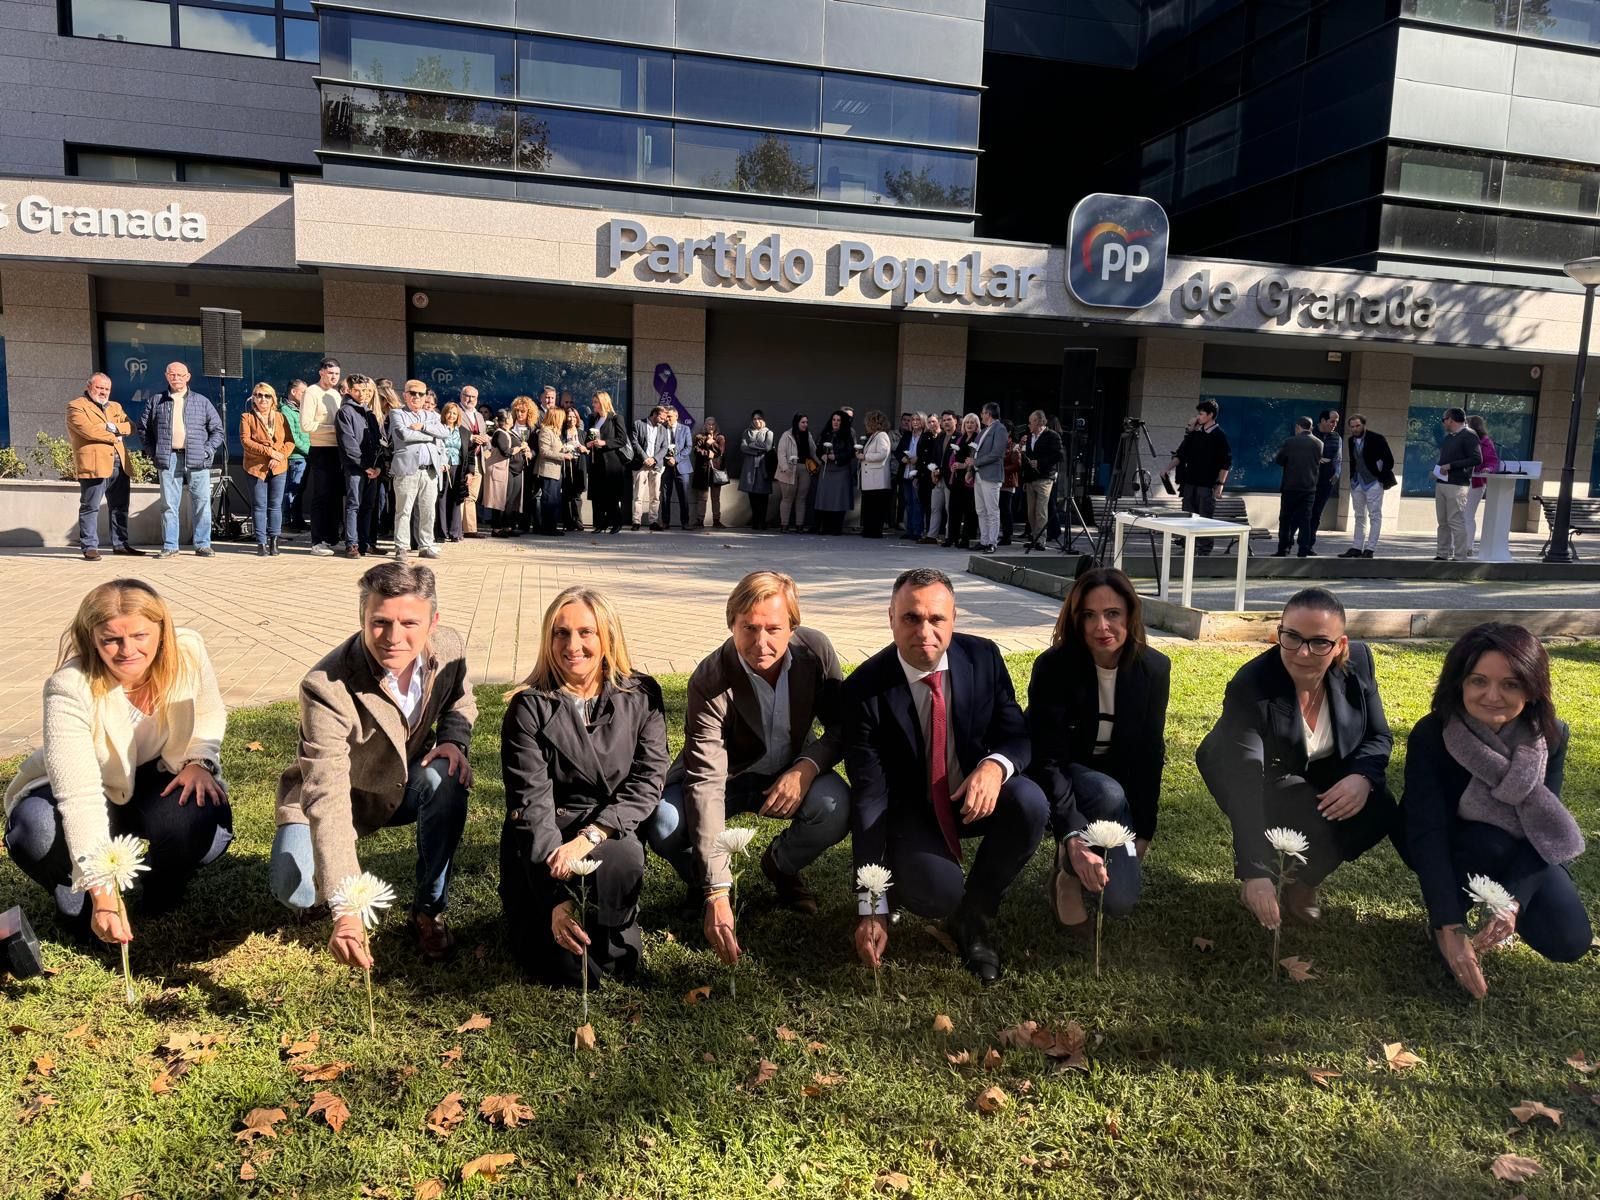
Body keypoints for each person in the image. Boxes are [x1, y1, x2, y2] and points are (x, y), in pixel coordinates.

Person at [845, 568, 1047, 985]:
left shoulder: (984, 658)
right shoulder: (864, 690)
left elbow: (1017, 736)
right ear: (891, 618)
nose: (925, 631)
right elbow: (869, 800)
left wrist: (994, 766)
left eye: (937, 619)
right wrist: (872, 905)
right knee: (938, 893)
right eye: (911, 618)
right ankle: (905, 885)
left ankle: (975, 917)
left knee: (1029, 803)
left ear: (954, 618)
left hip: (974, 797)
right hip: (913, 813)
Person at [271, 562, 476, 963]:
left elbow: (461, 701)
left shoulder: (449, 648)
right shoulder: (325, 686)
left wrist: (453, 740)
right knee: (294, 890)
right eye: (380, 622)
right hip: (343, 795)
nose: (394, 638)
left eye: (409, 623)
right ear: (362, 617)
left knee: (447, 778)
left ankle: (429, 910)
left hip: (408, 783)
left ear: (433, 622)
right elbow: (326, 793)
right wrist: (346, 906)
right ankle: (322, 892)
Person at [4, 580, 230, 941]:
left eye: (140, 635)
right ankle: (74, 890)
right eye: (111, 639)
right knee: (36, 829)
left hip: (157, 773)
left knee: (198, 814)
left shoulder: (188, 650)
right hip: (91, 784)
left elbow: (208, 712)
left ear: (162, 630)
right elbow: (79, 797)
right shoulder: (68, 687)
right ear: (91, 637)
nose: (128, 651)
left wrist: (199, 761)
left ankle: (162, 881)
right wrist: (103, 893)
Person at [644, 572, 850, 962]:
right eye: (749, 628)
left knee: (835, 807)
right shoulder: (709, 678)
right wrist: (717, 892)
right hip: (727, 776)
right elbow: (704, 782)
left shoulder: (816, 652)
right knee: (664, 822)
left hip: (790, 769)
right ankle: (704, 880)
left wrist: (806, 767)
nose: (761, 643)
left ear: (793, 625)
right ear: (732, 625)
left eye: (773, 628)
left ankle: (780, 866)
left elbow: (841, 728)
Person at [1397, 623, 1590, 997]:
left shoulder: (1550, 736)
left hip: (1519, 846)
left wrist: (1512, 902)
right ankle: (1445, 917)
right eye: (1478, 681)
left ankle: (1495, 903)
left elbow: (1544, 828)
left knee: (1569, 938)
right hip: (1452, 843)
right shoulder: (1433, 734)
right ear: (1459, 684)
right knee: (1486, 845)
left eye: (1511, 684)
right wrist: (1448, 926)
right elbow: (1427, 832)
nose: (1492, 696)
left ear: (1532, 689)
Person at [1197, 587, 1398, 929]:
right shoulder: (1252, 685)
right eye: (1292, 637)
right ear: (1279, 634)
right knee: (1306, 808)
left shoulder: (1359, 664)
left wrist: (1361, 777)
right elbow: (1244, 780)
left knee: (1379, 809)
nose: (1303, 653)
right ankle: (1277, 869)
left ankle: (1303, 882)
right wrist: (1253, 870)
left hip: (1320, 769)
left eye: (1320, 642)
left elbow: (1378, 735)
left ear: (1341, 646)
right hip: (1257, 773)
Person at [499, 586, 667, 986]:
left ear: (607, 636)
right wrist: (554, 900)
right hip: (546, 839)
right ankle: (556, 911)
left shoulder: (642, 695)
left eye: (585, 632)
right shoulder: (527, 707)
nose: (572, 645)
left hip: (608, 827)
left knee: (612, 958)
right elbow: (530, 806)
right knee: (558, 968)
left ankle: (611, 921)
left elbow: (648, 780)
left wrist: (593, 834)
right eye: (561, 633)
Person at [1027, 568, 1170, 932]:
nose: (1101, 627)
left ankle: (1090, 852)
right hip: (1063, 775)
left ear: (1130, 615)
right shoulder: (1054, 667)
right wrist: (1070, 831)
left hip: (1116, 790)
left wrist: (1144, 829)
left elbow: (1151, 752)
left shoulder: (1153, 669)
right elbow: (1049, 759)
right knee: (1106, 791)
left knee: (1120, 900)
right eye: (1089, 615)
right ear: (1075, 620)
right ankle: (1066, 873)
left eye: (1112, 614)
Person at [140, 361, 223, 561]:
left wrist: (207, 450)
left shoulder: (201, 401)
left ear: (188, 377)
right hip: (169, 458)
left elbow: (217, 431)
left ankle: (203, 545)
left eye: (180, 374)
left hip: (197, 459)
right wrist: (153, 452)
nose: (176, 378)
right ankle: (170, 546)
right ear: (166, 376)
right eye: (172, 374)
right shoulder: (156, 401)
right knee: (169, 504)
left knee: (202, 502)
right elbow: (143, 429)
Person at [67, 373, 142, 561]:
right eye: (100, 388)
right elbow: (88, 431)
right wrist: (114, 434)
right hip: (94, 464)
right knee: (90, 507)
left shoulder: (115, 406)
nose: (103, 392)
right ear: (89, 386)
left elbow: (131, 427)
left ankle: (121, 544)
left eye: (107, 389)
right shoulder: (76, 406)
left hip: (120, 464)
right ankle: (90, 546)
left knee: (120, 507)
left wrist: (114, 428)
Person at [390, 379, 447, 562]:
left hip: (429, 470)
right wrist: (431, 436)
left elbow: (445, 433)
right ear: (405, 395)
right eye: (412, 393)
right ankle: (402, 547)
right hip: (407, 469)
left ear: (425, 397)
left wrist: (423, 427)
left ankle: (426, 545)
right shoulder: (397, 413)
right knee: (404, 511)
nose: (416, 397)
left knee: (428, 510)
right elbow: (404, 435)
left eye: (420, 394)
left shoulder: (432, 416)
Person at [1167, 399, 1232, 555]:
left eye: (1201, 414)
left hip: (1206, 484)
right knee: (1188, 516)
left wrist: (1220, 484)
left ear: (1210, 415)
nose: (1198, 417)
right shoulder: (1196, 433)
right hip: (1190, 483)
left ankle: (1203, 551)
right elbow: (1182, 453)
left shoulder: (1219, 435)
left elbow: (1226, 461)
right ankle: (1188, 548)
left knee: (1204, 518)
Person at [240, 382, 293, 557]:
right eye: (258, 395)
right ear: (253, 398)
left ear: (273, 399)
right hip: (256, 467)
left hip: (278, 467)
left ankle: (274, 541)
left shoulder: (280, 417)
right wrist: (270, 452)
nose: (263, 399)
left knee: (275, 505)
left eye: (267, 395)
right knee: (259, 505)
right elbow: (246, 442)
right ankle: (261, 542)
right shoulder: (247, 417)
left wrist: (279, 456)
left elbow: (289, 442)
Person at [300, 358, 345, 556]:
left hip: (338, 450)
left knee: (335, 497)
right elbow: (306, 425)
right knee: (321, 496)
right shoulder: (311, 392)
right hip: (320, 450)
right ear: (321, 373)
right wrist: (335, 429)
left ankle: (332, 538)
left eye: (336, 373)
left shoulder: (336, 394)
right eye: (330, 373)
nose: (334, 377)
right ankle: (317, 541)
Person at [336, 375, 382, 559]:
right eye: (358, 390)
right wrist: (365, 466)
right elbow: (349, 444)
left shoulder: (369, 413)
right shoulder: (345, 412)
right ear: (349, 390)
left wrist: (378, 466)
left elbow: (378, 442)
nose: (362, 394)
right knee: (354, 505)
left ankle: (366, 543)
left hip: (372, 468)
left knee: (369, 506)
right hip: (355, 468)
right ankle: (351, 544)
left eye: (366, 391)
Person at [1340, 414, 1397, 559]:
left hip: (1373, 482)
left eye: (1357, 425)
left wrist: (1379, 475)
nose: (1355, 429)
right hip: (1357, 482)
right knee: (1359, 516)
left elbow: (1389, 460)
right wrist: (1352, 477)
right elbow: (1354, 460)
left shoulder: (1377, 438)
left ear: (1364, 424)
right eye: (1352, 426)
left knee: (1374, 515)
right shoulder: (1350, 440)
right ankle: (1356, 547)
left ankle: (1370, 548)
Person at [1433, 406, 1482, 562]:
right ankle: (1442, 553)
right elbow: (1445, 459)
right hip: (1442, 482)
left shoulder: (1469, 435)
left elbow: (1476, 459)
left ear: (1451, 419)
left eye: (1444, 420)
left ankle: (1460, 557)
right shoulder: (1450, 437)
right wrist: (1437, 469)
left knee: (1455, 520)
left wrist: (1451, 466)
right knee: (1443, 521)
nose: (1443, 423)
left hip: (1457, 484)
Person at [1273, 417, 1323, 558]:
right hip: (1309, 488)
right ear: (1311, 427)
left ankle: (1283, 549)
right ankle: (1303, 549)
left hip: (1290, 486)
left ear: (1297, 427)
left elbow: (1280, 460)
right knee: (1305, 520)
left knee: (1286, 519)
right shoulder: (1319, 443)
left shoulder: (1290, 442)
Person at [586, 391, 632, 534]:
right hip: (596, 461)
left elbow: (622, 439)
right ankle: (600, 524)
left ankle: (616, 523)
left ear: (603, 402)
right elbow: (589, 436)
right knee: (598, 495)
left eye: (595, 402)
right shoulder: (594, 419)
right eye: (593, 402)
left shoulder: (616, 418)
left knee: (611, 495)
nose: (593, 405)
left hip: (611, 462)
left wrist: (604, 443)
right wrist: (588, 443)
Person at [1019, 410, 1062, 550]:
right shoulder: (1030, 437)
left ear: (1038, 422)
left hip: (1044, 478)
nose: (1029, 424)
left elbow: (1058, 455)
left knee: (1041, 510)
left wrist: (1040, 463)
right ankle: (1034, 536)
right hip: (1031, 479)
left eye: (1031, 421)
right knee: (1031, 511)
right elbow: (1027, 456)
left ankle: (1041, 540)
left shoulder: (1052, 436)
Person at [1463, 414, 1501, 558]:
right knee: (1457, 516)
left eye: (1467, 424)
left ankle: (1468, 547)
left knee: (1467, 515)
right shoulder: (1463, 440)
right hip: (1460, 481)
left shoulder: (1485, 442)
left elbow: (1492, 461)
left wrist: (1488, 469)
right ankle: (1456, 545)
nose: (1465, 426)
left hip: (1476, 483)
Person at [457, 386, 491, 539]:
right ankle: (457, 528)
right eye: (467, 396)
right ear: (461, 395)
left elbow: (484, 437)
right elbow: (451, 432)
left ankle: (470, 529)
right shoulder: (456, 411)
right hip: (462, 459)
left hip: (477, 459)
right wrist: (471, 438)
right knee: (461, 494)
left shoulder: (479, 415)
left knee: (472, 496)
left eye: (473, 397)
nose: (470, 399)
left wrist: (485, 442)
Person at [813, 411, 855, 535]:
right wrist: (822, 456)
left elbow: (850, 453)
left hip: (840, 470)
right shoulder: (825, 433)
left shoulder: (847, 435)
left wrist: (836, 456)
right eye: (834, 419)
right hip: (827, 470)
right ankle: (824, 527)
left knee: (838, 500)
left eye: (838, 420)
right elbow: (818, 449)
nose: (835, 422)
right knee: (825, 499)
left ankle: (836, 528)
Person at [972, 402, 1006, 554]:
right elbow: (977, 451)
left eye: (983, 412)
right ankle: (984, 540)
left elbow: (997, 453)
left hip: (991, 475)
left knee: (992, 510)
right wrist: (970, 468)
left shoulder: (1000, 429)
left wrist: (976, 462)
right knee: (981, 509)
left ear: (989, 413)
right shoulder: (985, 430)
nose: (981, 415)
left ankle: (992, 542)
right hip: (979, 473)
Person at [533, 405, 572, 538]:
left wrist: (565, 450)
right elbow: (544, 452)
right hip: (548, 470)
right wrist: (563, 456)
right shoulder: (546, 431)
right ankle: (547, 527)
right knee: (549, 500)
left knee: (554, 500)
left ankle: (552, 526)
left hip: (556, 470)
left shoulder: (556, 432)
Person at [279, 379, 311, 536]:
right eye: (303, 392)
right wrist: (309, 450)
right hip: (295, 456)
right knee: (292, 489)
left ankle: (297, 520)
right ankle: (288, 521)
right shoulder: (286, 411)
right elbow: (293, 437)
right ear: (293, 392)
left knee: (299, 489)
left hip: (304, 456)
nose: (306, 395)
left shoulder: (300, 410)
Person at [856, 411, 894, 539]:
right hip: (871, 478)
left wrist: (865, 456)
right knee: (870, 505)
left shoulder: (881, 436)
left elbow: (882, 454)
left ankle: (874, 530)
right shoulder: (874, 436)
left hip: (877, 479)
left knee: (875, 506)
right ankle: (869, 529)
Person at [943, 414, 979, 549]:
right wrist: (953, 464)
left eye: (972, 422)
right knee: (954, 509)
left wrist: (964, 466)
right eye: (967, 422)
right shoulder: (960, 438)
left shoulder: (978, 439)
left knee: (969, 510)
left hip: (970, 479)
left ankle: (966, 538)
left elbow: (976, 458)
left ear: (977, 425)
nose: (969, 425)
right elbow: (953, 455)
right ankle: (952, 537)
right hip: (957, 478)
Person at [632, 404, 670, 532]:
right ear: (654, 414)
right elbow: (634, 442)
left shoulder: (663, 429)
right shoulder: (638, 424)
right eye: (662, 418)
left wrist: (654, 459)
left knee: (655, 496)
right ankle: (636, 521)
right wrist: (645, 458)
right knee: (638, 494)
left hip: (656, 465)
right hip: (640, 464)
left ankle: (653, 521)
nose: (664, 421)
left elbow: (665, 447)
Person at [1310, 409, 1343, 551]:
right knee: (1301, 513)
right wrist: (1317, 460)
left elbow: (1338, 459)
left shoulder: (1336, 437)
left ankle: (1309, 544)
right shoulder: (1310, 434)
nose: (1334, 424)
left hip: (1326, 481)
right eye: (1332, 421)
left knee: (1316, 513)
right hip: (1309, 479)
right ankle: (1288, 543)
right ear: (1323, 421)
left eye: (1336, 422)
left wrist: (1337, 474)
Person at [774, 413, 813, 533]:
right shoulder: (787, 435)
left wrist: (820, 463)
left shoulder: (808, 435)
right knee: (787, 497)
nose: (805, 424)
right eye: (803, 422)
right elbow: (781, 453)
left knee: (801, 498)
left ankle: (799, 525)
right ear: (797, 423)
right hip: (789, 469)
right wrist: (785, 468)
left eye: (806, 422)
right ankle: (784, 525)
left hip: (804, 469)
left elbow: (813, 451)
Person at [738, 410, 775, 531]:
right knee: (752, 497)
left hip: (763, 468)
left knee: (763, 497)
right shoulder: (746, 432)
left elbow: (768, 447)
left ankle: (762, 522)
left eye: (759, 418)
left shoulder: (769, 433)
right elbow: (743, 447)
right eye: (754, 419)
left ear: (763, 419)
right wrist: (758, 449)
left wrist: (752, 445)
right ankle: (755, 521)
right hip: (750, 469)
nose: (757, 421)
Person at [659, 406, 694, 531]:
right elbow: (658, 447)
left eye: (669, 416)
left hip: (682, 468)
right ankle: (665, 522)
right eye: (666, 416)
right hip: (666, 467)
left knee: (683, 496)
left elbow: (688, 447)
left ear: (676, 416)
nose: (667, 419)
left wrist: (676, 459)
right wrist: (666, 460)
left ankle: (685, 522)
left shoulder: (685, 429)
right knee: (665, 496)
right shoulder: (661, 429)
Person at [689, 416, 727, 530]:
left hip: (716, 470)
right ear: (705, 425)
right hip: (703, 471)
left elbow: (721, 451)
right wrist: (707, 453)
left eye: (713, 424)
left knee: (715, 497)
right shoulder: (699, 436)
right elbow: (696, 450)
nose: (711, 426)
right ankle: (700, 520)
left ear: (716, 426)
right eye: (708, 424)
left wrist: (712, 443)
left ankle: (716, 520)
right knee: (702, 497)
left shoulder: (720, 438)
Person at [479, 408, 513, 535]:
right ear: (507, 420)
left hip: (501, 469)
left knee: (500, 499)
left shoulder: (505, 432)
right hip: (496, 469)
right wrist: (518, 448)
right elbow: (505, 451)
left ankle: (501, 526)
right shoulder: (500, 433)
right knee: (496, 500)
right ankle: (496, 528)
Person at [925, 412, 957, 544]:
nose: (946, 422)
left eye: (949, 419)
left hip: (951, 478)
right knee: (935, 507)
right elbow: (934, 457)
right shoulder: (940, 436)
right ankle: (931, 536)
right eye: (944, 420)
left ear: (955, 421)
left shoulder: (959, 437)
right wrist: (933, 472)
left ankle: (950, 536)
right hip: (938, 477)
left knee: (950, 509)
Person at [436, 401, 465, 544]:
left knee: (456, 499)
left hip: (458, 466)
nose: (451, 415)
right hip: (444, 466)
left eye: (454, 413)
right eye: (449, 412)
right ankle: (441, 532)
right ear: (444, 414)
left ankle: (455, 532)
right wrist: (441, 462)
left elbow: (467, 451)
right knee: (442, 498)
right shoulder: (439, 428)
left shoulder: (462, 431)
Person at [895, 413, 926, 542]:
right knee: (907, 502)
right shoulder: (907, 435)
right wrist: (901, 457)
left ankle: (917, 531)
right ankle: (909, 530)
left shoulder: (926, 436)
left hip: (918, 473)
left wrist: (918, 459)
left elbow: (927, 454)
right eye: (913, 419)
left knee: (917, 502)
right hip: (905, 472)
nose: (915, 422)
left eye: (918, 419)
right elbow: (897, 451)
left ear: (923, 421)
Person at [509, 396, 538, 534]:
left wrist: (530, 453)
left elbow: (537, 448)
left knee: (526, 495)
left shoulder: (533, 429)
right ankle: (511, 522)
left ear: (529, 413)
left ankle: (524, 524)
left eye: (523, 411)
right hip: (512, 466)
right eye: (517, 411)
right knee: (512, 495)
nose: (520, 414)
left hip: (527, 467)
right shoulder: (510, 427)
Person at [559, 405, 589, 532]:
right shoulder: (561, 433)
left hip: (579, 464)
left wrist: (585, 449)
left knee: (577, 494)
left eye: (573, 417)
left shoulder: (583, 433)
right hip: (566, 464)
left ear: (577, 419)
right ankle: (567, 522)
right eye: (569, 417)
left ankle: (578, 521)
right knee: (566, 494)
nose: (571, 419)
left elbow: (590, 449)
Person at [999, 428, 1022, 546]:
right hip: (998, 481)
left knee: (1005, 510)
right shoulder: (1000, 445)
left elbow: (1017, 465)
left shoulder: (1014, 447)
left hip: (1008, 482)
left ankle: (1007, 535)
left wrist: (1002, 470)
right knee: (1000, 509)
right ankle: (1002, 534)